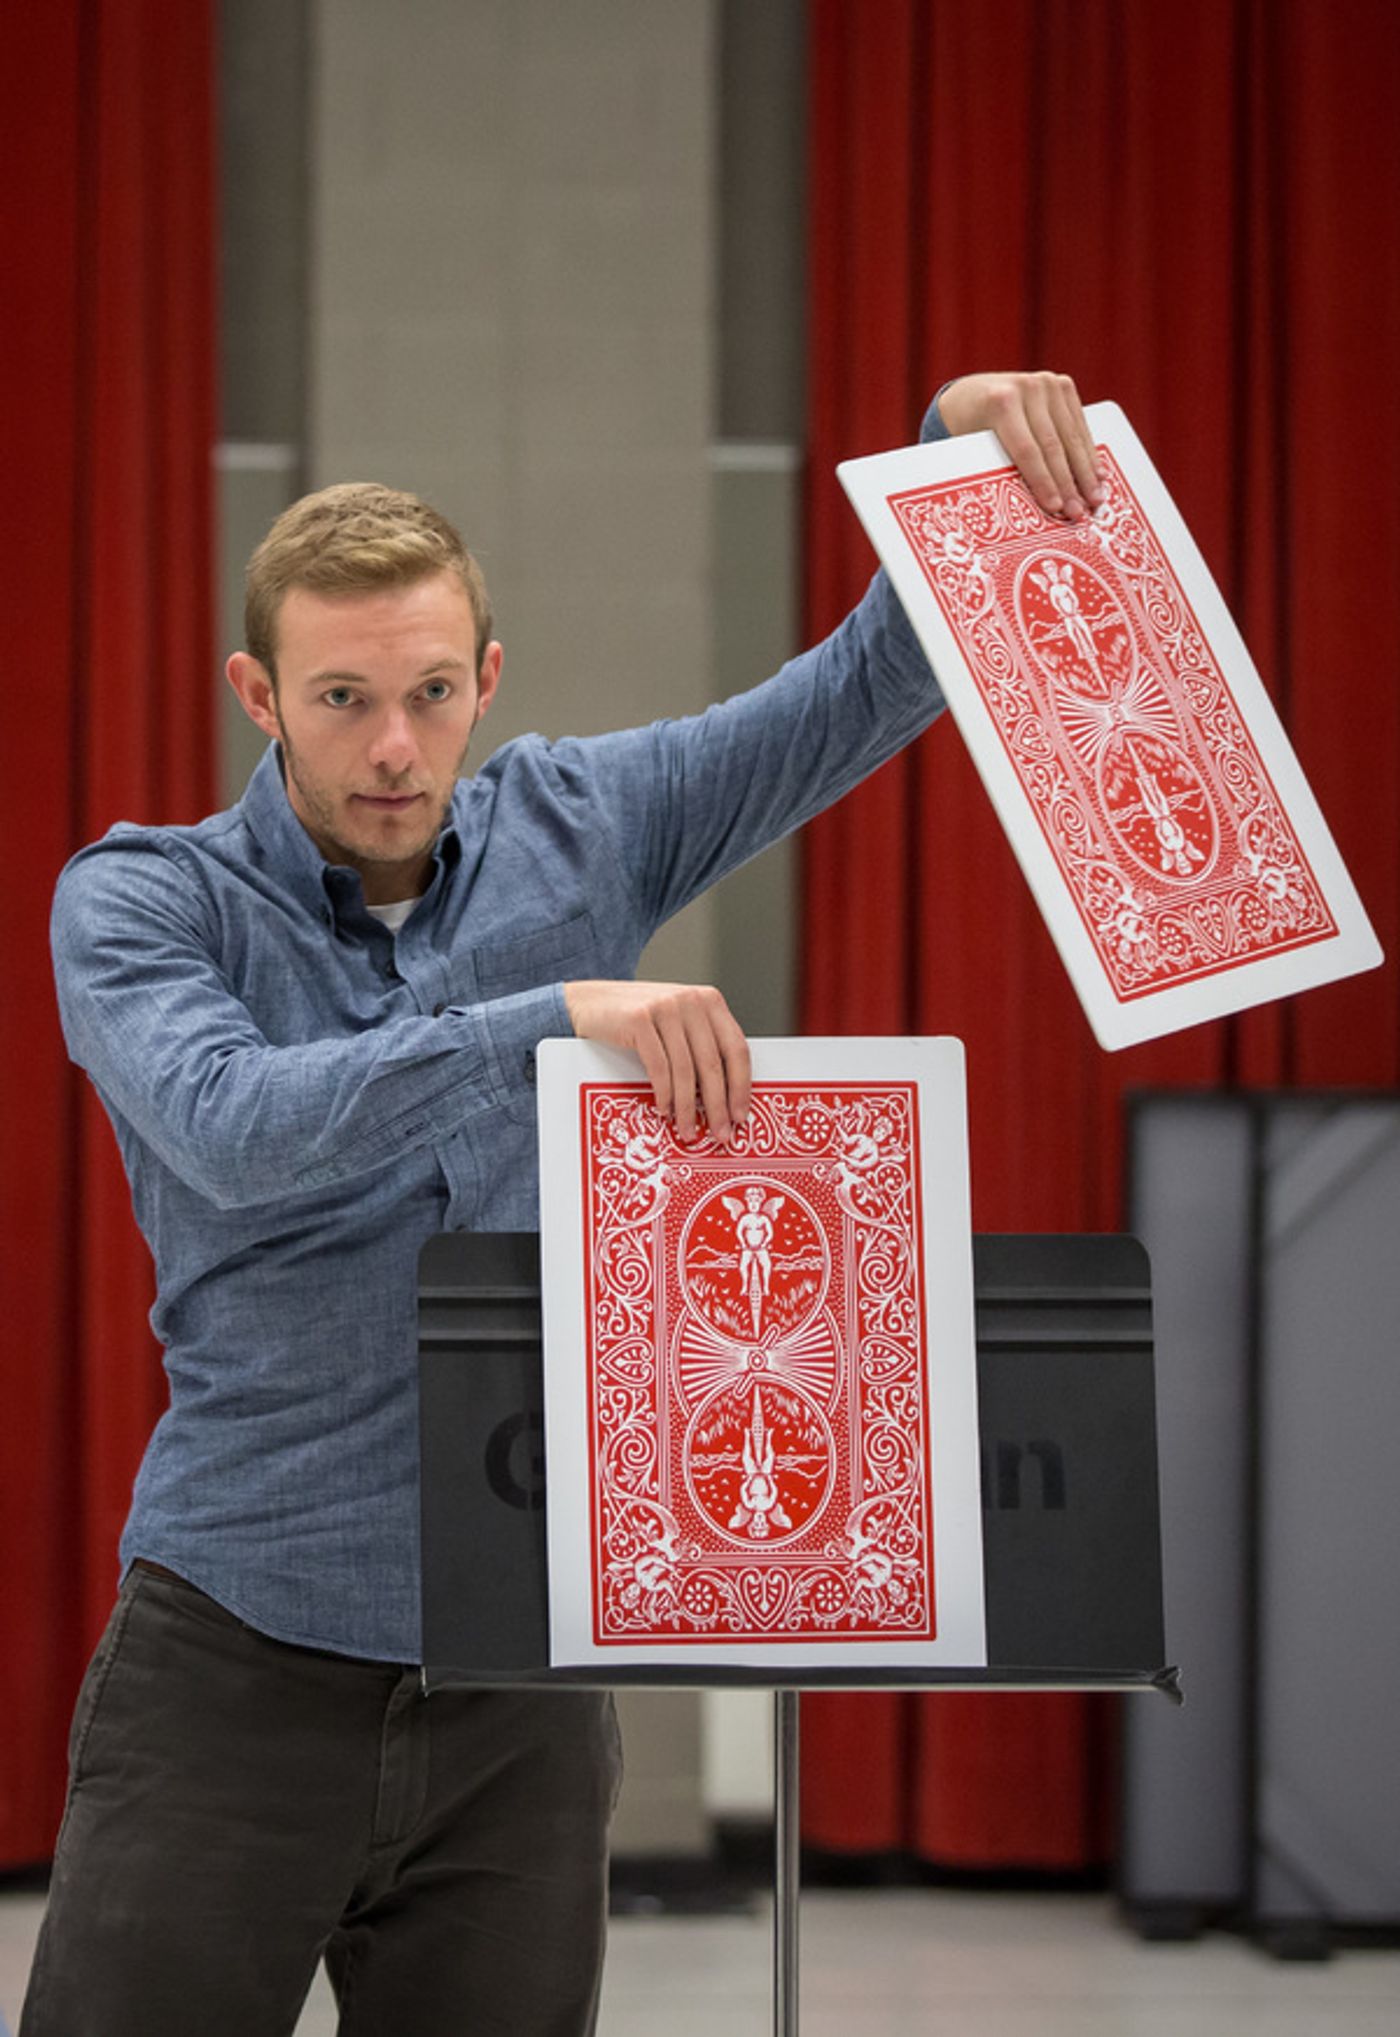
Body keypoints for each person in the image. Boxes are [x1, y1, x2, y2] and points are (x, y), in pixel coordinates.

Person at [23, 370, 1102, 2036]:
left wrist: (960, 460)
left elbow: (866, 687)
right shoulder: (140, 900)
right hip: (233, 1660)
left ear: (489, 678)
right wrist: (552, 1017)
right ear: (258, 691)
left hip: (524, 1681)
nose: (395, 745)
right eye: (341, 698)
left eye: (434, 692)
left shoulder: (584, 824)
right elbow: (235, 1127)